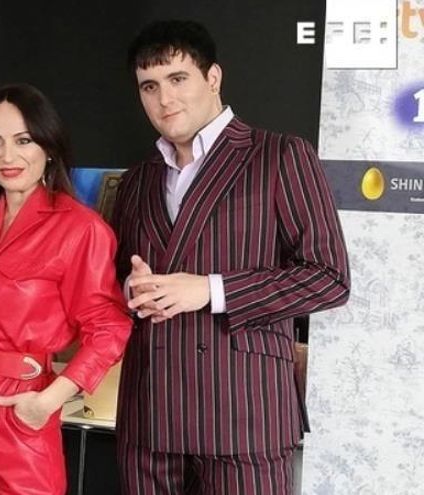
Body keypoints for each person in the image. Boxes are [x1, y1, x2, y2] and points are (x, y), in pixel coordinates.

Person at [111, 20, 351, 494]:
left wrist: (209, 289)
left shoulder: (280, 155)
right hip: (148, 416)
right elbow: (118, 275)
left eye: (178, 79)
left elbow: (329, 277)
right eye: (150, 86)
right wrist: (130, 289)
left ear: (213, 78)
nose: (164, 99)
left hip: (242, 415)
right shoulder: (137, 179)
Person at [0, 83, 132, 495]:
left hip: (20, 402)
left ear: (49, 147)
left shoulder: (80, 229)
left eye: (23, 141)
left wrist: (47, 402)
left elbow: (108, 327)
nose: (7, 157)